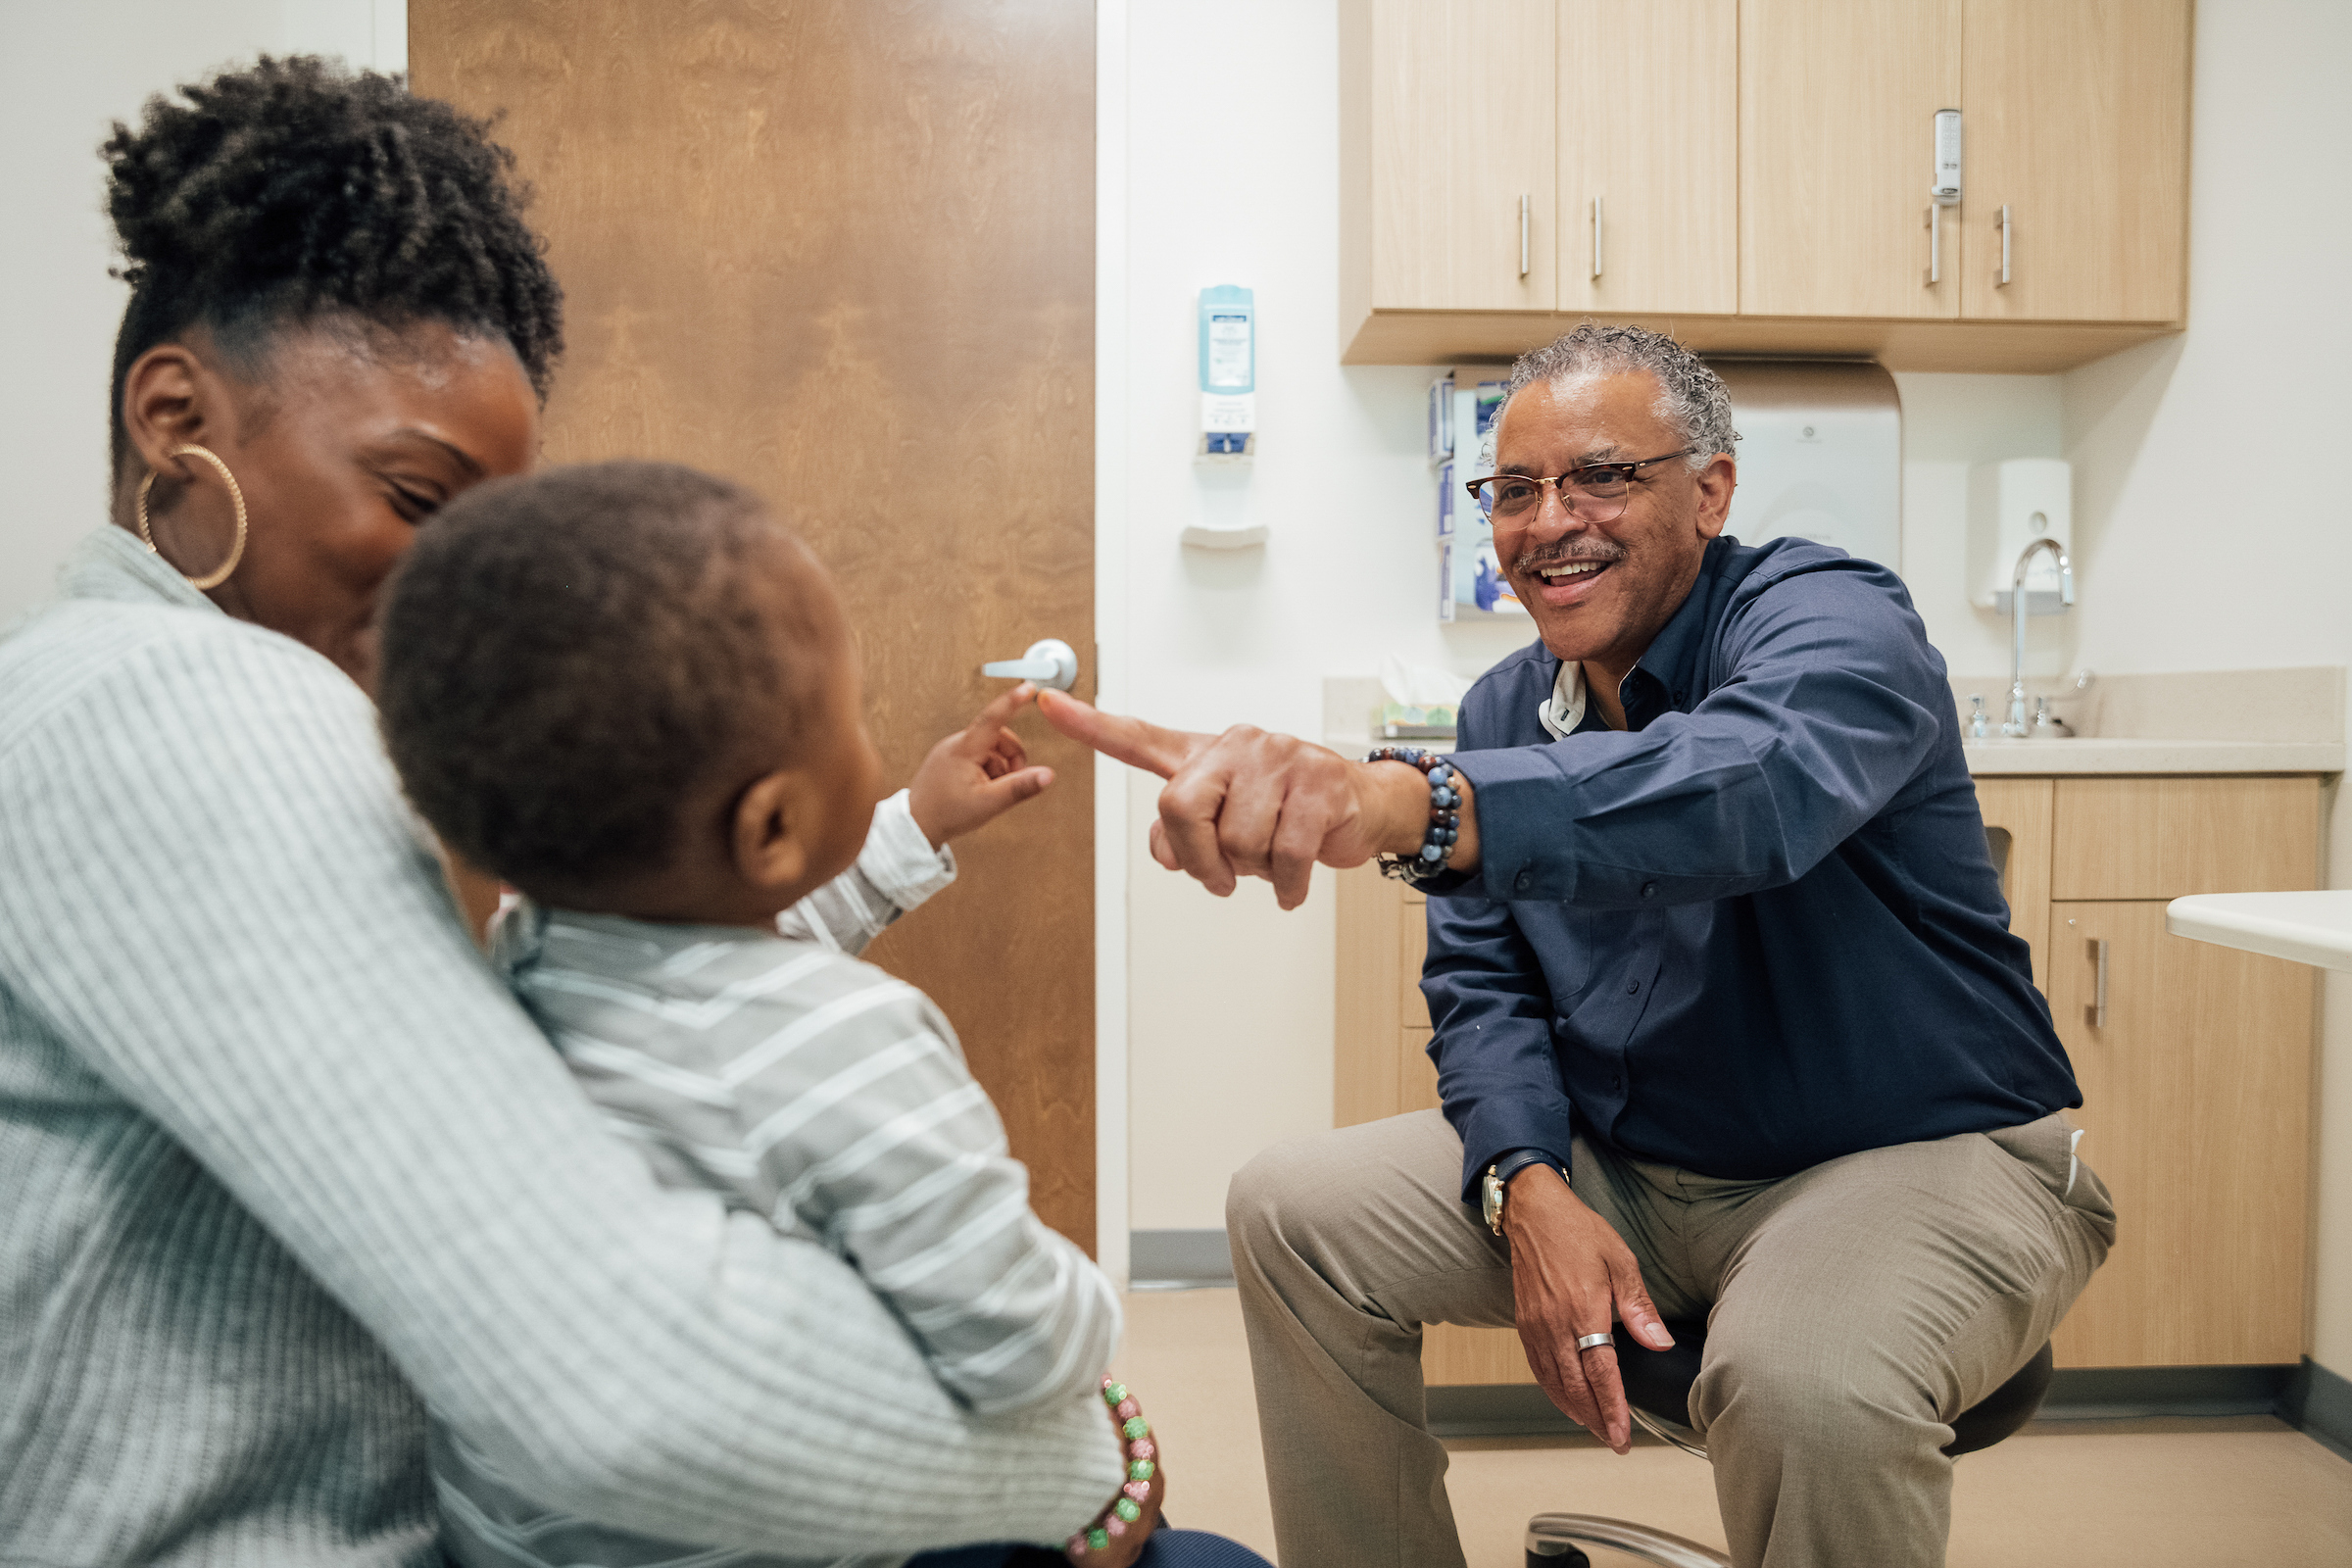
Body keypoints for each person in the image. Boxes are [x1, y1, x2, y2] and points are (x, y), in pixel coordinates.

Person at [0, 58, 1143, 1567]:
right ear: (174, 417)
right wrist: (1080, 1467)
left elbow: (646, 975)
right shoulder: (198, 711)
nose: (463, 590)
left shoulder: (105, 697)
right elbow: (618, 1388)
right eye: (417, 500)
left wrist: (899, 836)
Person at [1038, 323, 2118, 1568]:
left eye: (1603, 475)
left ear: (1710, 489)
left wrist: (1415, 800)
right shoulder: (1502, 708)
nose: (1551, 520)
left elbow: (1748, 788)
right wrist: (1525, 1183)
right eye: (1514, 490)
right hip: (1648, 1171)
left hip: (1910, 1157)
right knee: (1291, 1211)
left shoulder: (1829, 618)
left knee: (1803, 1379)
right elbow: (1482, 988)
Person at [374, 461, 1259, 1568]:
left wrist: (915, 823)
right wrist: (1097, 1327)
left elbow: (721, 969)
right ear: (772, 823)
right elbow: (1024, 1346)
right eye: (847, 711)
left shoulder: (500, 975)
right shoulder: (854, 1038)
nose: (867, 733)